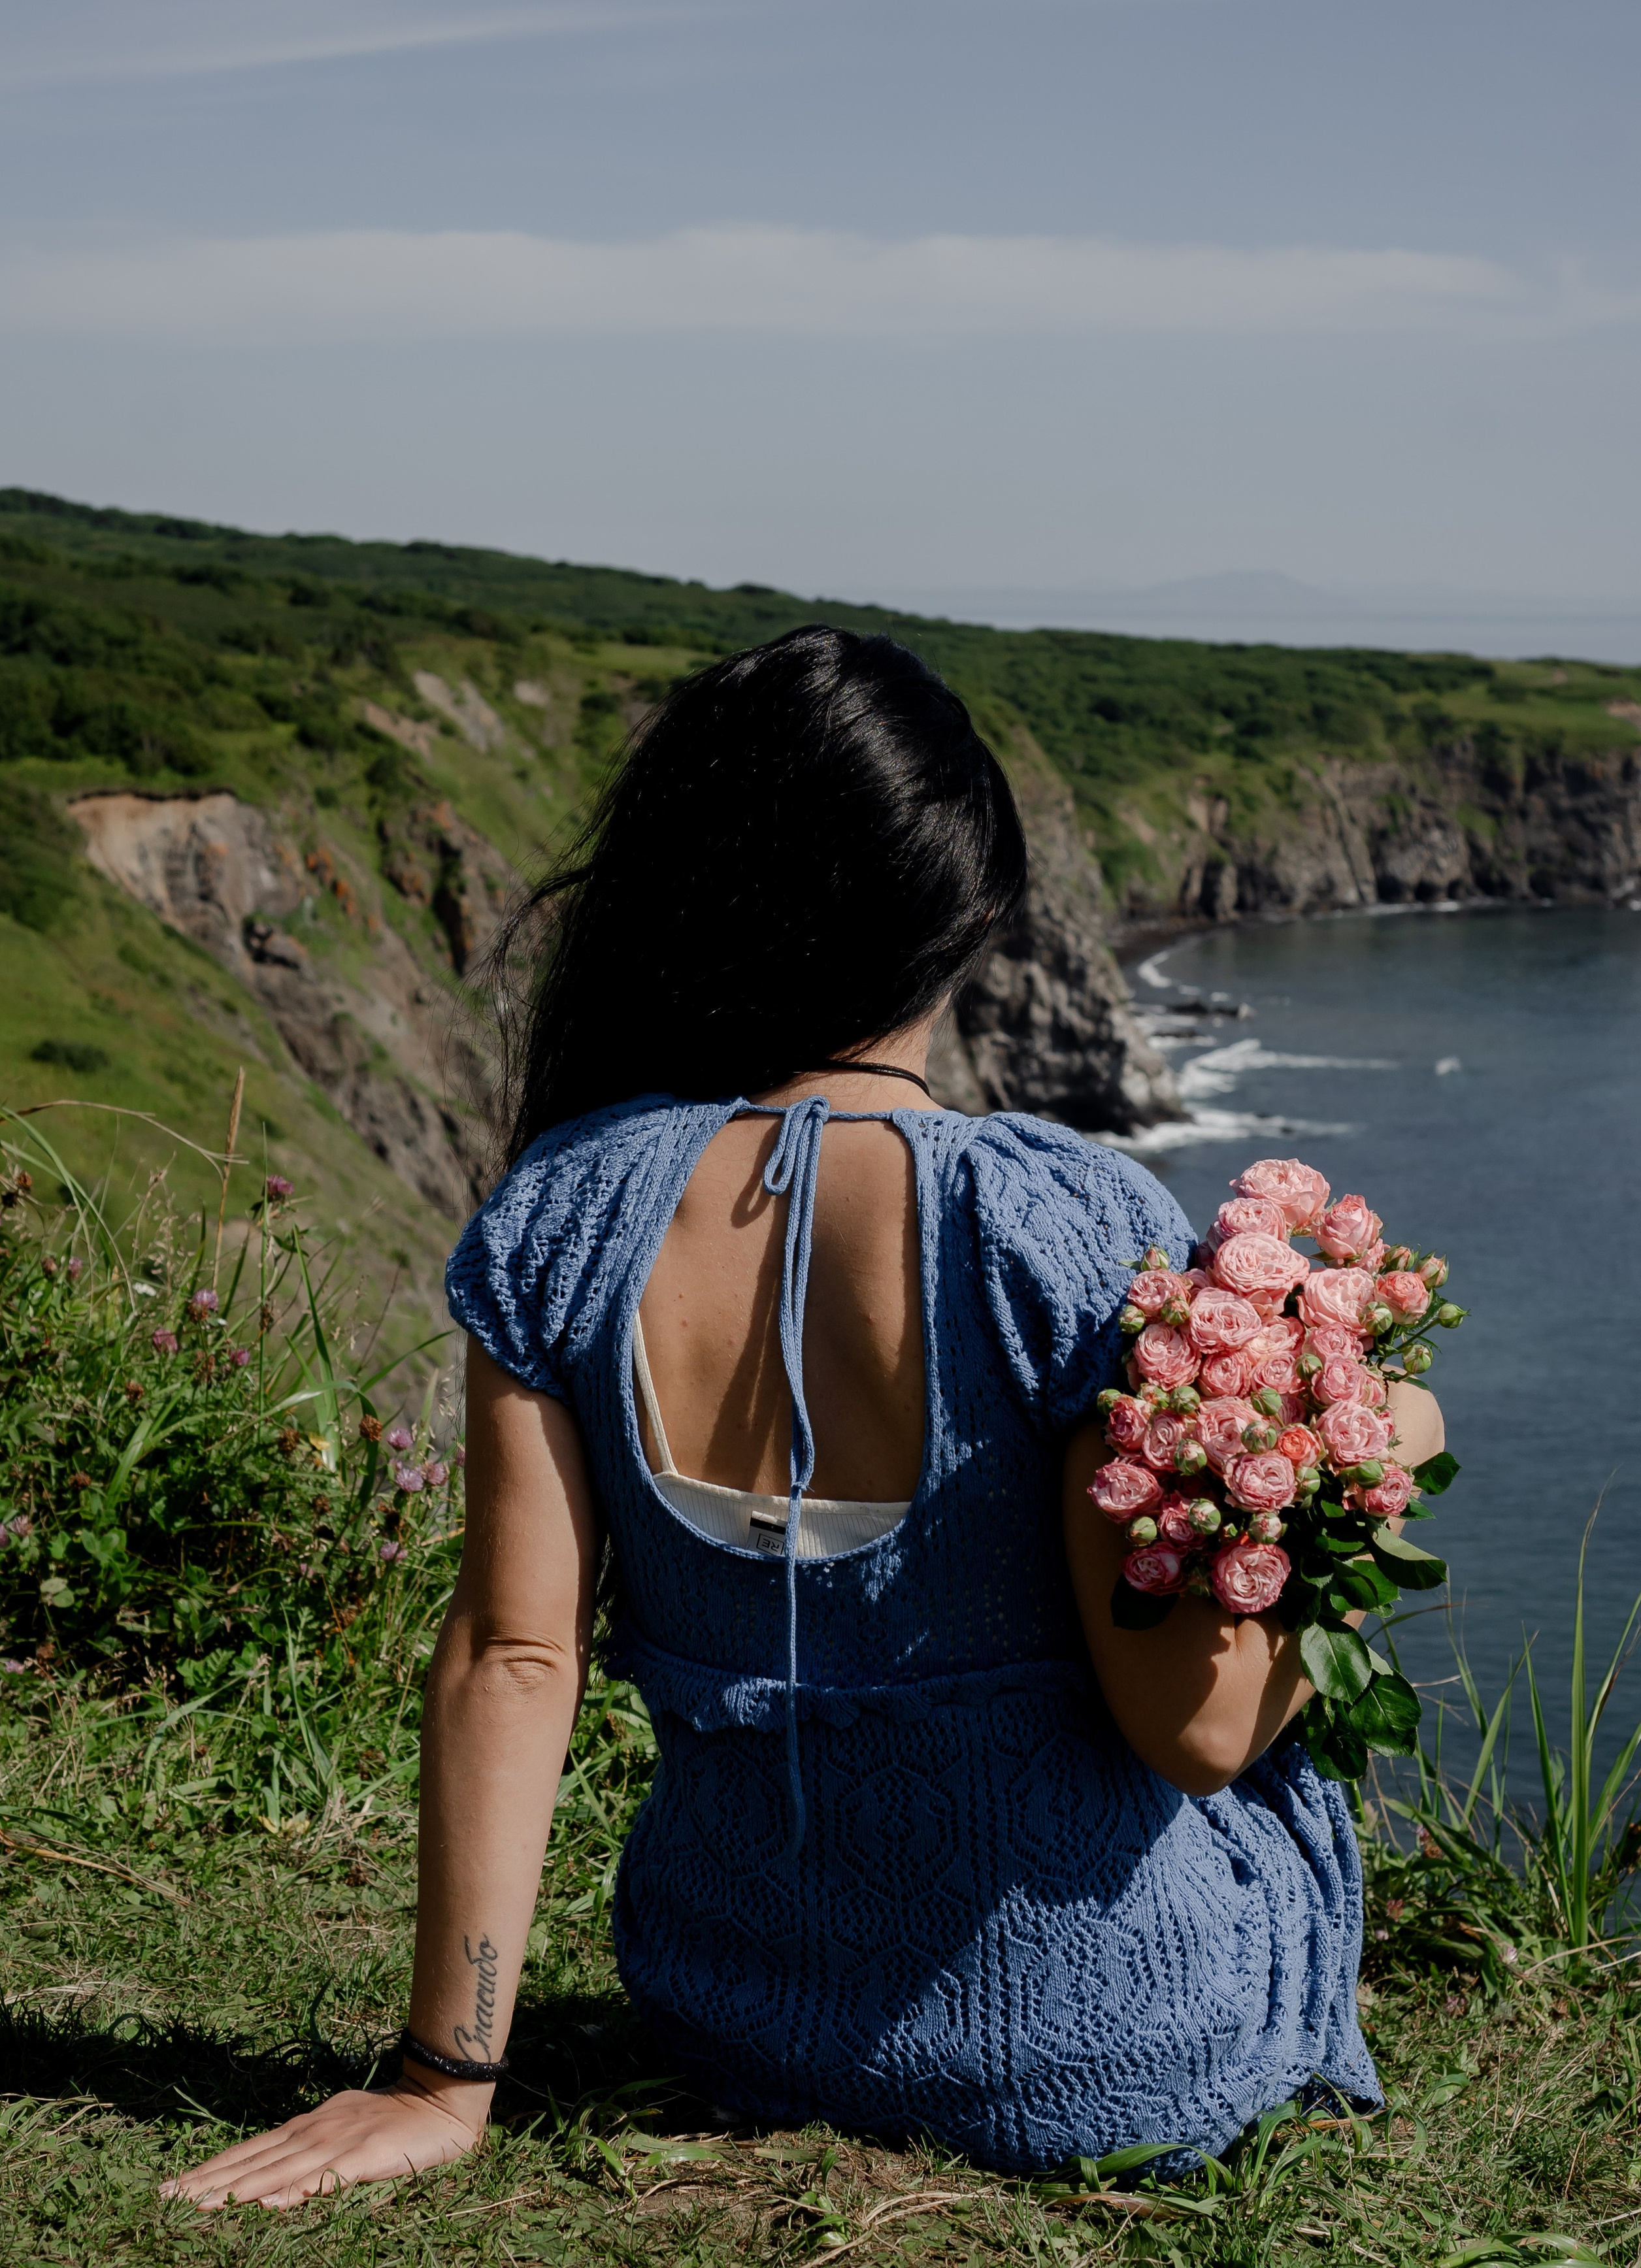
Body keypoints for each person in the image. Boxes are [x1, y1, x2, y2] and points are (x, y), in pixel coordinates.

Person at [168, 627, 1442, 2211]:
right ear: (968, 916)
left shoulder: (559, 1218)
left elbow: (513, 1656)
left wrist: (445, 2075)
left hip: (734, 2016)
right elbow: (1191, 1732)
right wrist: (1365, 1443)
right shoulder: (1049, 1229)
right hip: (1104, 2049)